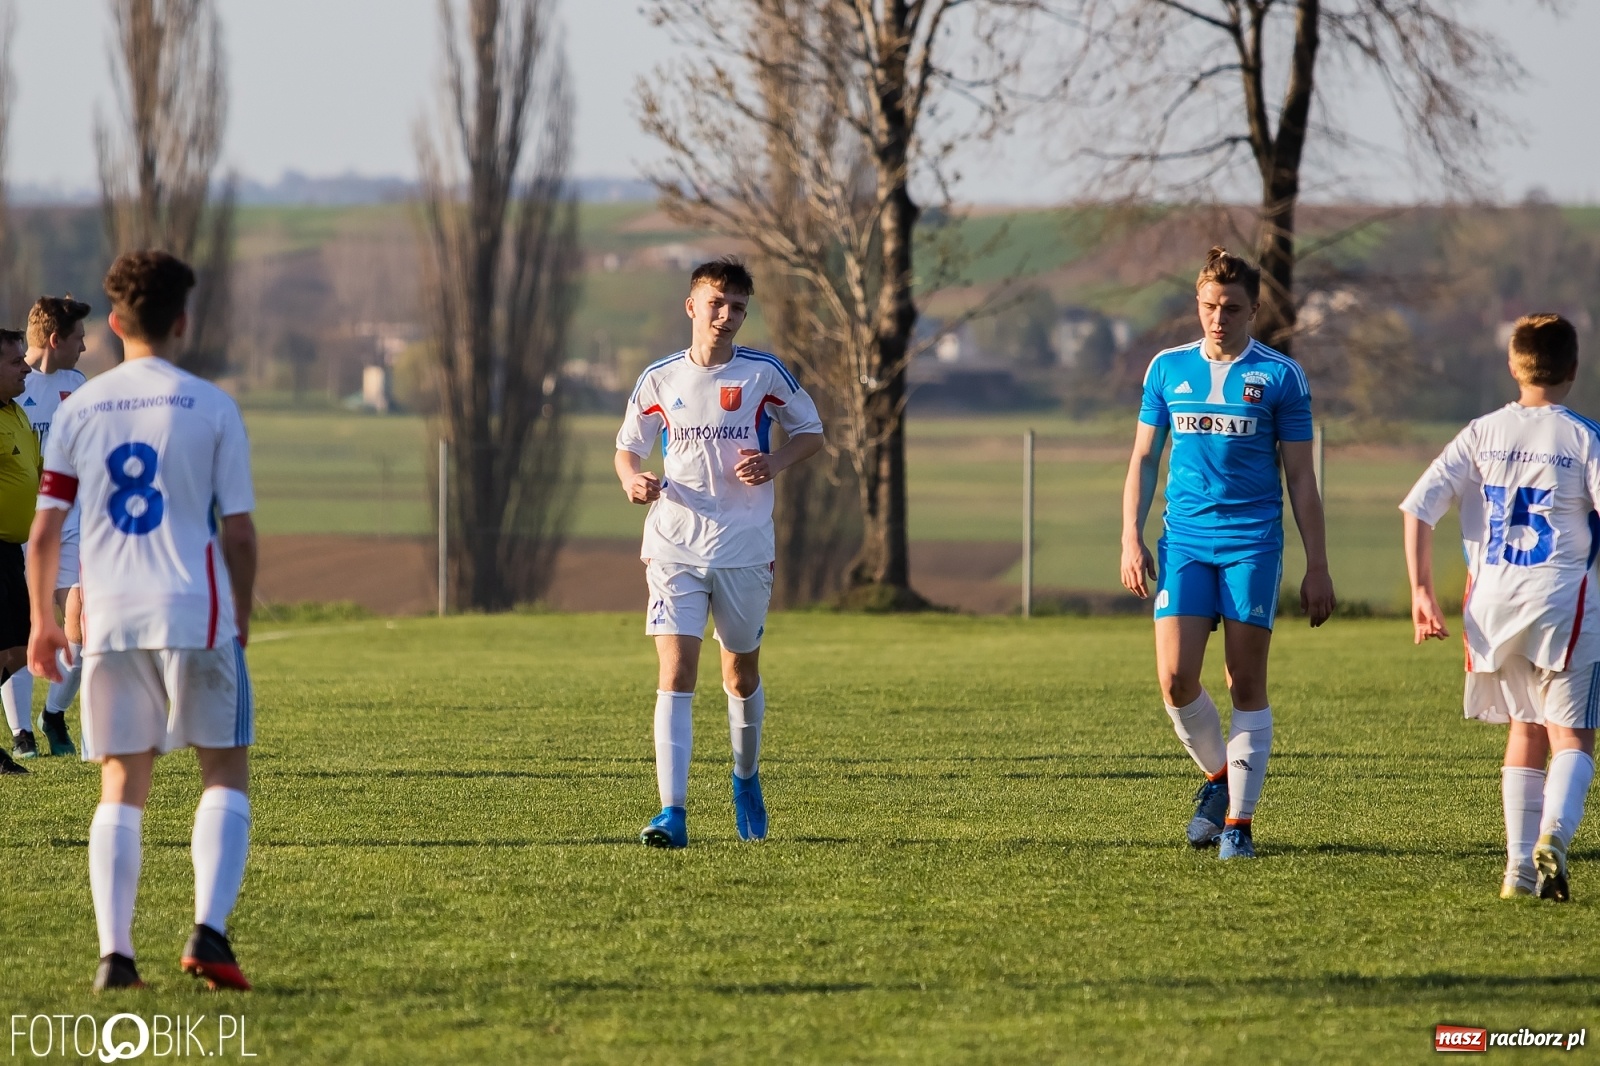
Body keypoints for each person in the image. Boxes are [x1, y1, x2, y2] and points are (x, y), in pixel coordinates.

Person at [28, 251, 258, 991]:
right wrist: (243, 615)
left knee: (121, 785)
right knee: (222, 769)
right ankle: (208, 935)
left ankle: (115, 957)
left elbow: (43, 534)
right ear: (182, 321)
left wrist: (42, 619)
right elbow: (241, 534)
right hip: (198, 611)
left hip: (112, 617)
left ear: (117, 321)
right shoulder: (212, 406)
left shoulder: (78, 408)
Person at [1120, 246, 1336, 860]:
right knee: (1174, 678)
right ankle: (1219, 780)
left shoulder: (1280, 377)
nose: (1219, 319)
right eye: (1210, 306)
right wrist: (1131, 537)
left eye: (1233, 309)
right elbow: (1142, 458)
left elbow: (1301, 478)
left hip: (1252, 544)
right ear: (1198, 303)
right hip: (1185, 541)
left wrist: (1316, 565)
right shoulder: (1166, 370)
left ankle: (1238, 825)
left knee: (1244, 682)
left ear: (1254, 310)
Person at [614, 257, 824, 848]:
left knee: (740, 673)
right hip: (674, 544)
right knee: (676, 672)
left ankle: (745, 777)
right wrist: (634, 481)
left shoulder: (764, 374)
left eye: (737, 307)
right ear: (691, 306)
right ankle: (671, 814)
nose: (727, 316)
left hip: (745, 548)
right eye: (717, 304)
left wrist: (777, 461)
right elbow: (628, 450)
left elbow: (812, 433)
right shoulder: (659, 379)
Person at [1402, 313, 1599, 902]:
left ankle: (1517, 868)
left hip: (1492, 604)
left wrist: (1420, 591)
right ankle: (1554, 841)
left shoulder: (1481, 431)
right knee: (1573, 738)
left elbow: (1417, 508)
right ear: (1573, 368)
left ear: (1513, 366)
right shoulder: (1583, 436)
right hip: (1564, 602)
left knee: (1524, 725)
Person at [4, 296, 90, 760]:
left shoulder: (79, 384)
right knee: (18, 631)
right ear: (56, 340)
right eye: (79, 337)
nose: (85, 345)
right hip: (22, 529)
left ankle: (54, 713)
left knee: (84, 623)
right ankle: (21, 733)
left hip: (73, 524)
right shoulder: (13, 389)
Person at [0, 328, 36, 776]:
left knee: (17, 651)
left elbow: (37, 471)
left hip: (12, 550)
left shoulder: (18, 415)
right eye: (15, 363)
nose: (25, 368)